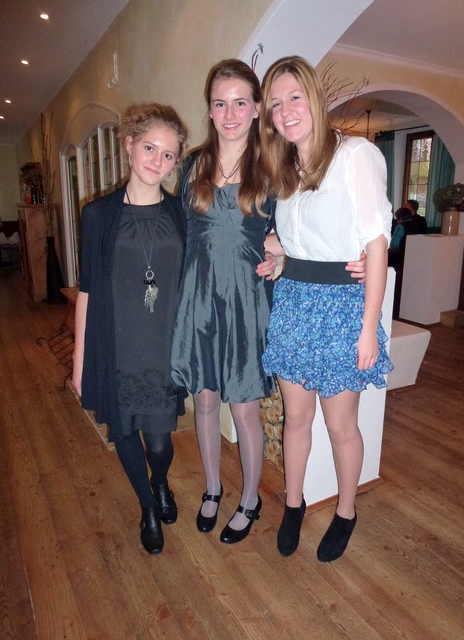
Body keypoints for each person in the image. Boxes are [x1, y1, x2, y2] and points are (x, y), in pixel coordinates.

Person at [171, 59, 366, 545]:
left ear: (257, 109)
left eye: (240, 102)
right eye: (220, 103)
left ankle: (250, 500)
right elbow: (176, 234)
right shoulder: (192, 166)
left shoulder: (274, 167)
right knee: (205, 400)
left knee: (243, 409)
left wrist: (357, 255)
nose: (230, 113)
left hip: (247, 304)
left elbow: (300, 232)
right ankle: (212, 488)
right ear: (209, 110)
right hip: (199, 300)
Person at [260, 56, 393, 561]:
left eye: (294, 97)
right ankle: (294, 505)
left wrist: (369, 328)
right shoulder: (285, 168)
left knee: (340, 426)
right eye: (276, 103)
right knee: (296, 419)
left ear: (314, 98)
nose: (285, 111)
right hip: (294, 302)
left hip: (341, 309)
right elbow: (299, 241)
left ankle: (345, 511)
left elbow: (375, 244)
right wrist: (277, 255)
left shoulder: (355, 154)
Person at [72, 103, 188, 555]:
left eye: (168, 154)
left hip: (163, 348)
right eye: (149, 148)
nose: (157, 161)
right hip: (115, 345)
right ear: (129, 146)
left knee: (158, 443)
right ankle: (147, 506)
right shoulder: (97, 216)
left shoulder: (181, 214)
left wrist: (277, 250)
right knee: (123, 433)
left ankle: (159, 481)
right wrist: (81, 361)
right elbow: (86, 290)